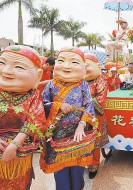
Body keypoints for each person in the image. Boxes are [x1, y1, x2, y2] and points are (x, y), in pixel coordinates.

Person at [40, 47, 96, 190]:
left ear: (84, 67)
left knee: (77, 170)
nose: (66, 66)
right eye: (61, 61)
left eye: (74, 62)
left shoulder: (83, 85)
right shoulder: (50, 85)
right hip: (56, 136)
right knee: (60, 171)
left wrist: (82, 125)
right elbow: (42, 105)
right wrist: (56, 106)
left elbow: (89, 104)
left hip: (78, 135)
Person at [0, 45, 46, 189]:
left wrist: (15, 144)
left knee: (18, 182)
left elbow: (36, 120)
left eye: (19, 67)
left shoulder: (33, 95)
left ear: (38, 76)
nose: (6, 71)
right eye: (2, 63)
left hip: (20, 149)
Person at [84, 53, 109, 179]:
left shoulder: (101, 81)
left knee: (94, 142)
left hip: (95, 117)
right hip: (80, 117)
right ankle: (83, 162)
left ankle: (94, 165)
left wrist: (86, 100)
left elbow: (100, 102)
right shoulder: (78, 81)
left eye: (86, 65)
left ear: (98, 66)